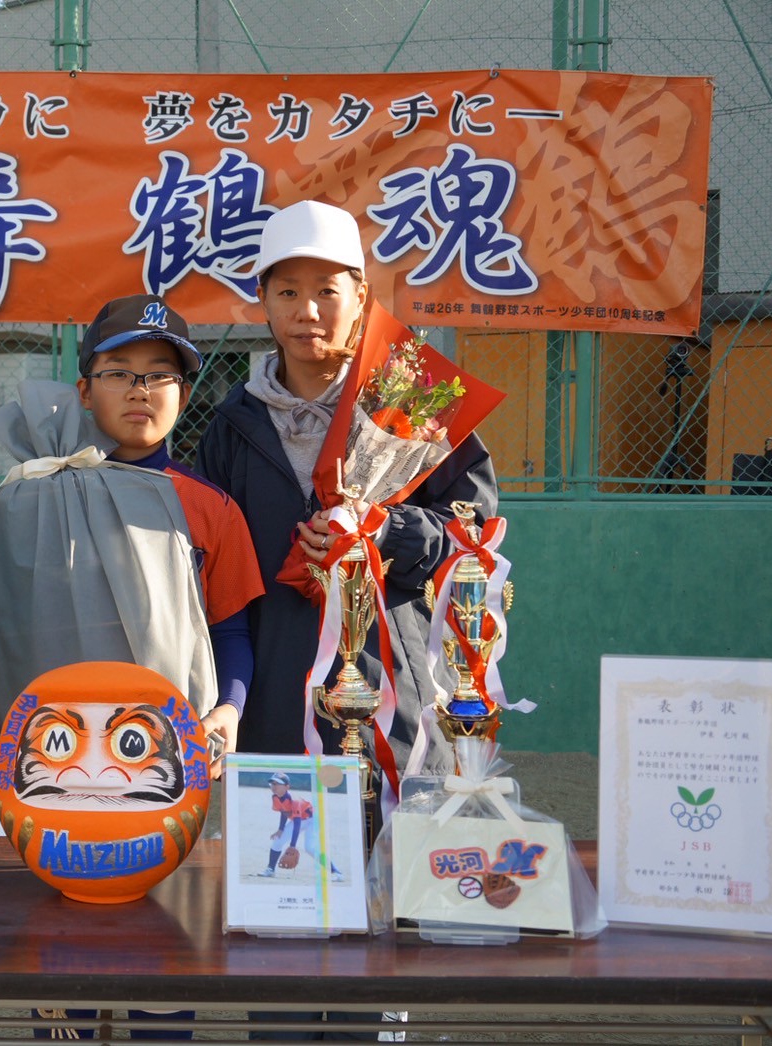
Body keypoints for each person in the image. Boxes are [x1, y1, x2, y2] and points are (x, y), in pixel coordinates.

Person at [195, 200, 494, 1042]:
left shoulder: (410, 394)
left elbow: (475, 529)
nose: (307, 311)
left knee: (379, 890)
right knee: (278, 894)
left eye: (327, 290)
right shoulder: (231, 421)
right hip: (270, 694)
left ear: (362, 296)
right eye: (286, 291)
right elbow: (210, 561)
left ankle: (376, 1029)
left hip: (386, 690)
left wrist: (388, 532)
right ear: (261, 303)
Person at [0, 294, 264, 1042]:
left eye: (161, 375)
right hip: (51, 764)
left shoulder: (208, 507)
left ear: (184, 393)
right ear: (83, 389)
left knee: (163, 963)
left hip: (164, 765)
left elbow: (231, 631)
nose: (141, 389)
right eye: (120, 371)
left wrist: (227, 710)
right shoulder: (25, 499)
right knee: (58, 959)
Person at [257, 772, 342, 881]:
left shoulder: (295, 800)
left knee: (310, 848)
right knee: (277, 841)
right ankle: (270, 869)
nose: (274, 786)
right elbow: (284, 812)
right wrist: (280, 829)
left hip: (313, 820)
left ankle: (337, 873)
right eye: (272, 784)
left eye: (277, 784)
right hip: (299, 819)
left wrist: (292, 845)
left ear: (287, 787)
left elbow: (297, 824)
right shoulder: (275, 797)